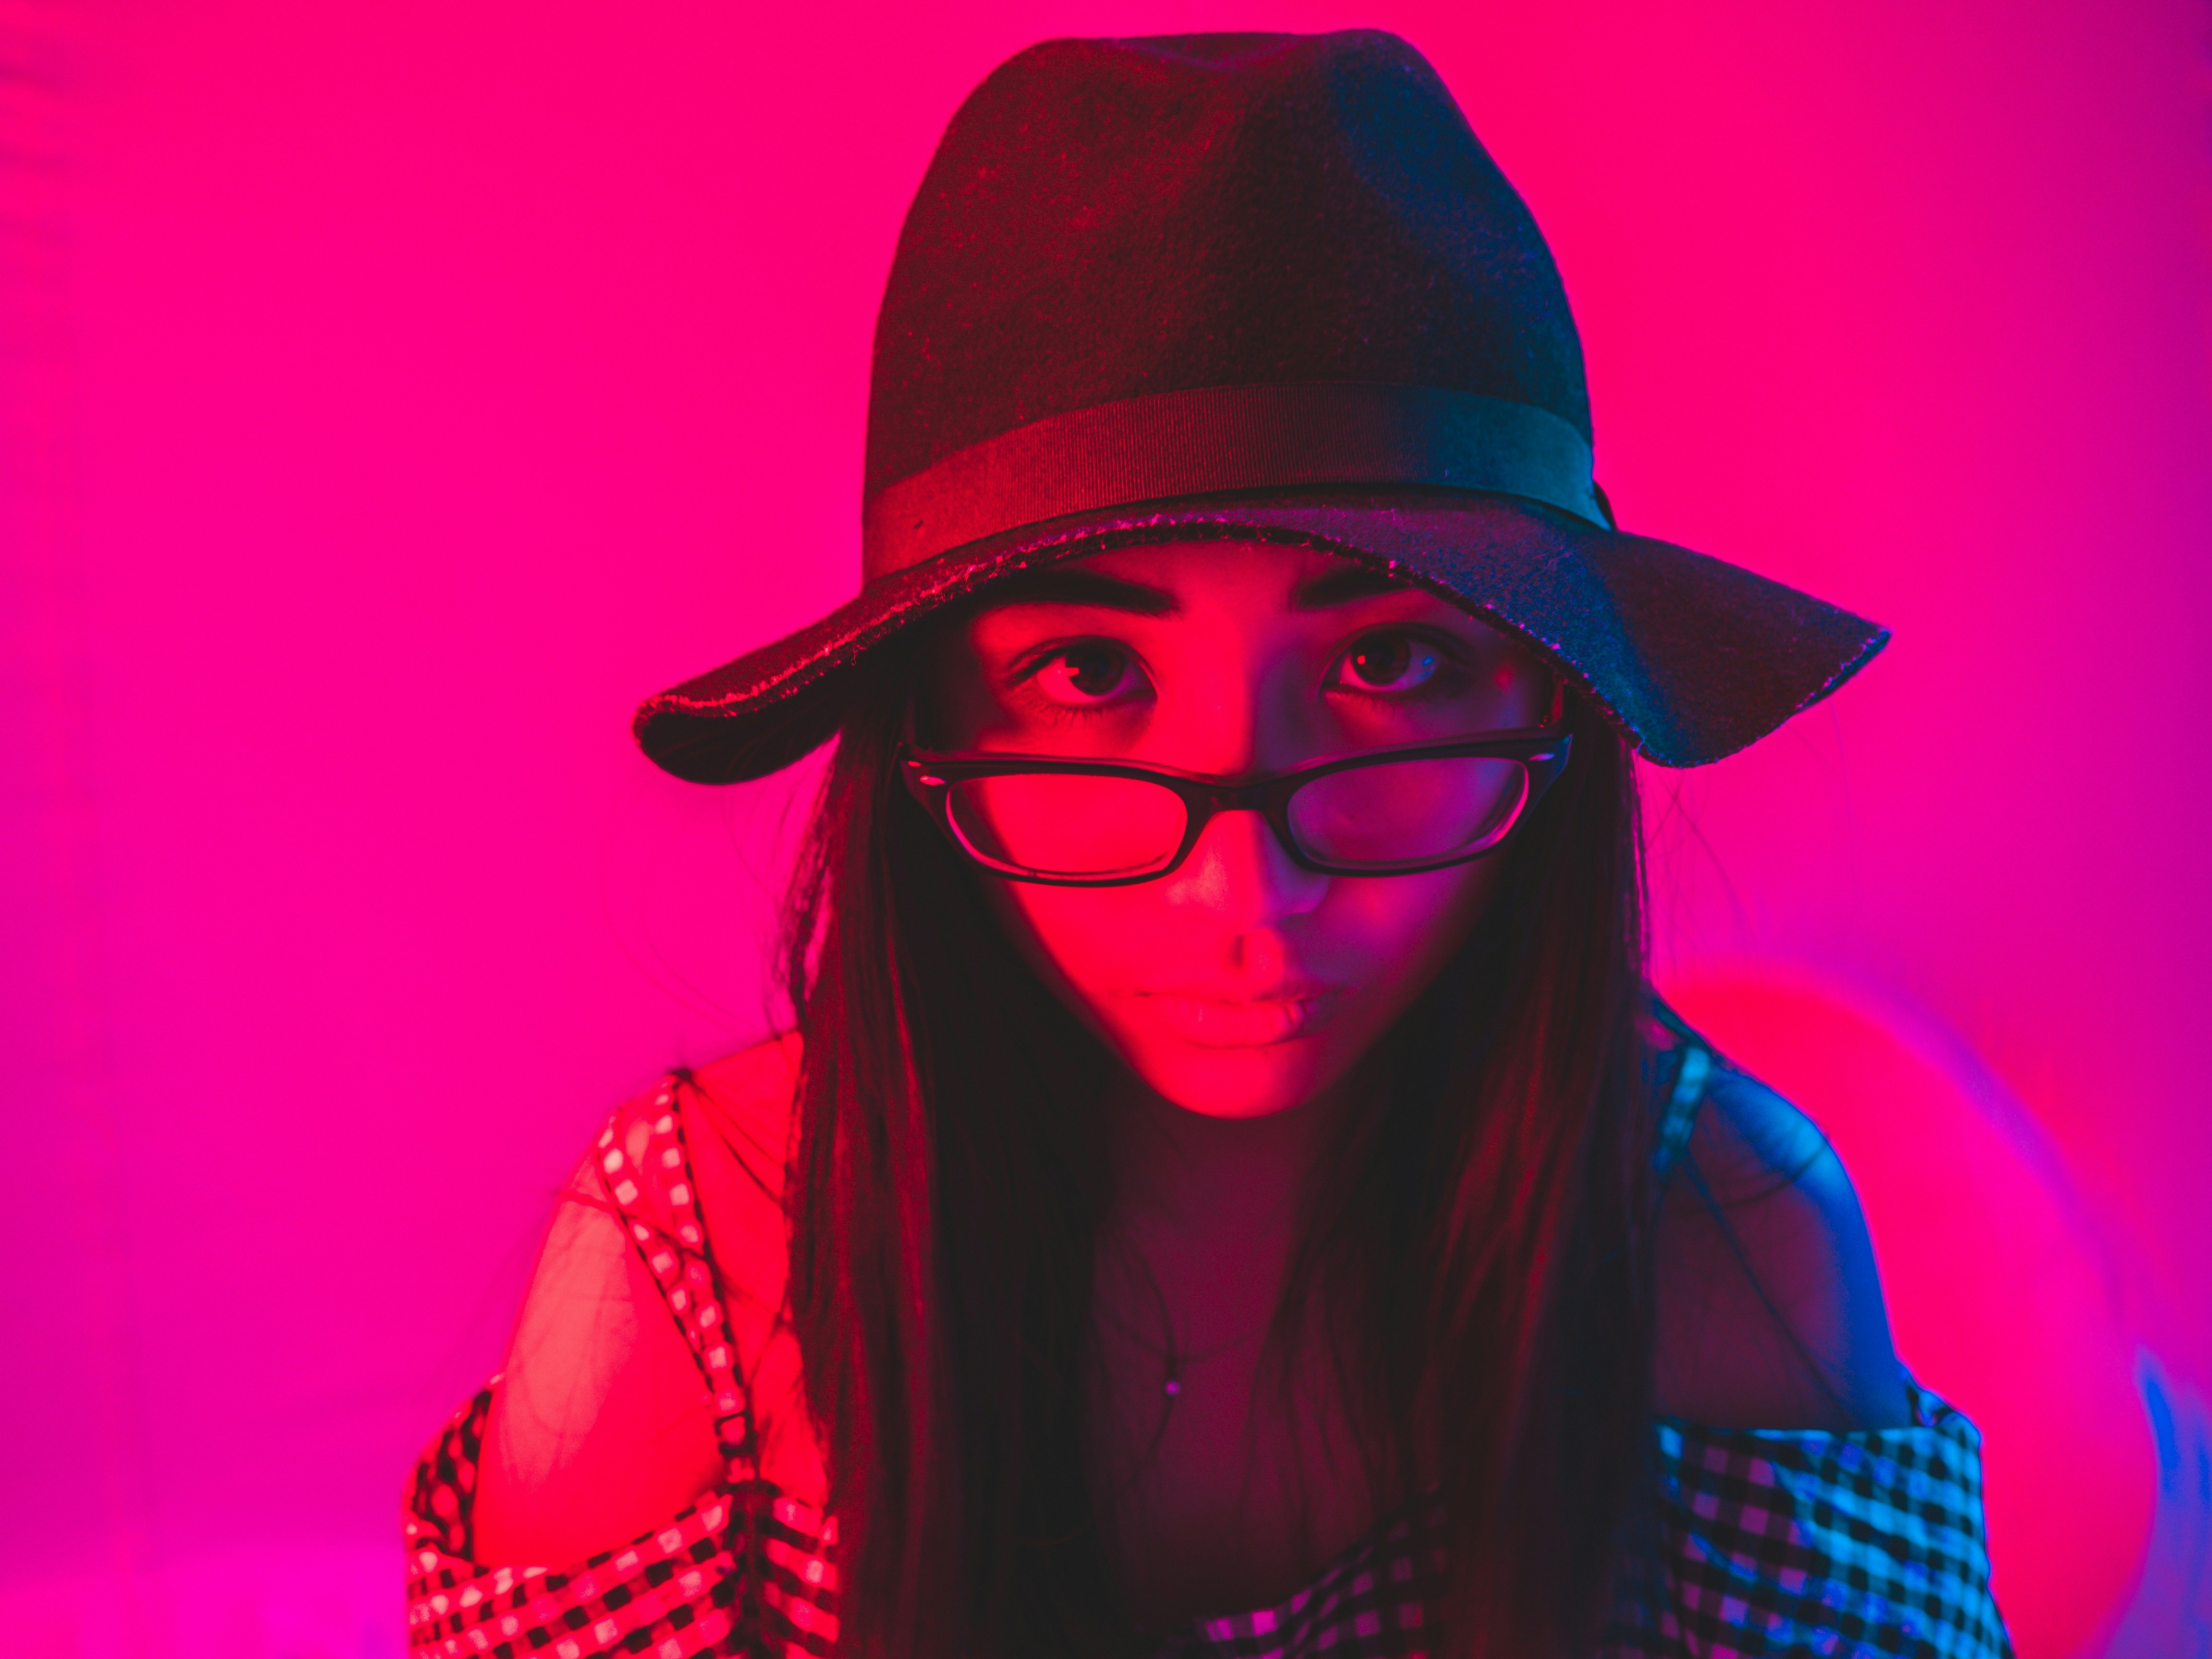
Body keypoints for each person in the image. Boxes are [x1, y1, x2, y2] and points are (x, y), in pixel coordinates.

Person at [405, 30, 2013, 1659]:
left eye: (1390, 662)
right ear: (925, 729)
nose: (1251, 892)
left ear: (1553, 692)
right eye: (1092, 674)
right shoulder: (695, 1267)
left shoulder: (1714, 1234)